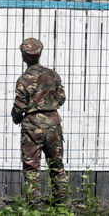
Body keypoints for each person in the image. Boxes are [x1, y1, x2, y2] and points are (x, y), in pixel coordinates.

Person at [11, 37, 67, 203]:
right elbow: (61, 97)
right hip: (52, 125)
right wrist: (49, 105)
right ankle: (61, 203)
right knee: (56, 165)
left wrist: (17, 117)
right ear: (39, 54)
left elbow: (19, 105)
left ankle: (33, 204)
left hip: (32, 127)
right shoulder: (52, 75)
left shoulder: (24, 79)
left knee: (31, 167)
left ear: (23, 56)